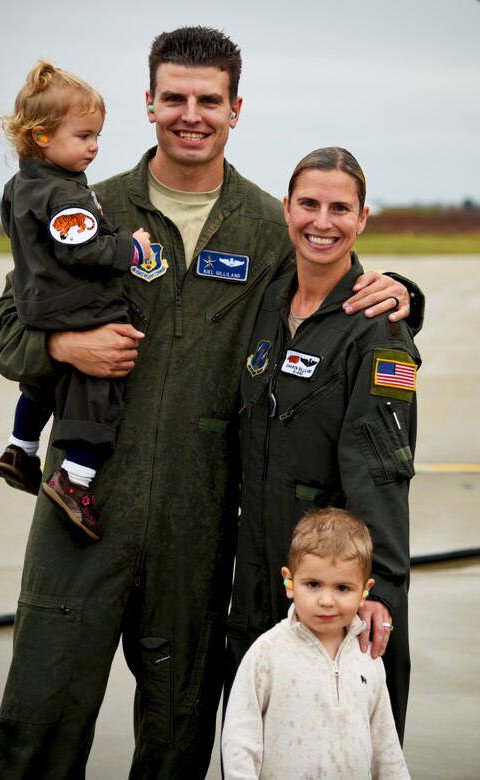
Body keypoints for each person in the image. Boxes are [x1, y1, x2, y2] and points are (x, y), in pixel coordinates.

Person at [0, 28, 423, 779]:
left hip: (198, 528)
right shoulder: (89, 206)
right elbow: (6, 327)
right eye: (174, 98)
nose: (191, 114)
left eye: (208, 100)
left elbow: (330, 291)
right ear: (148, 104)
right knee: (40, 719)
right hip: (81, 510)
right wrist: (61, 350)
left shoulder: (267, 226)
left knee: (178, 734)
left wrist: (405, 299)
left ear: (234, 109)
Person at [226, 146, 420, 746]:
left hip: (333, 587)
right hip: (261, 572)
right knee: (256, 742)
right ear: (286, 209)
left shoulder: (383, 332)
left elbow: (384, 468)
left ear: (362, 220)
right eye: (308, 204)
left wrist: (378, 587)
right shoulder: (265, 302)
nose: (322, 221)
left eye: (341, 208)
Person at [0, 60, 151, 540]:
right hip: (80, 307)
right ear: (42, 136)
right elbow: (82, 247)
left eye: (97, 136)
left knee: (42, 384)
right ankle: (73, 480)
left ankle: (20, 448)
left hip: (37, 302)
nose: (94, 147)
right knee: (100, 390)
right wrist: (132, 247)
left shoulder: (20, 186)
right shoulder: (65, 194)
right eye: (83, 136)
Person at [222, 508, 410, 779]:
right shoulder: (267, 653)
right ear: (289, 582)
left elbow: (386, 749)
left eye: (342, 588)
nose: (326, 600)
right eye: (313, 584)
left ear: (364, 591)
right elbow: (240, 741)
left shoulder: (367, 658)